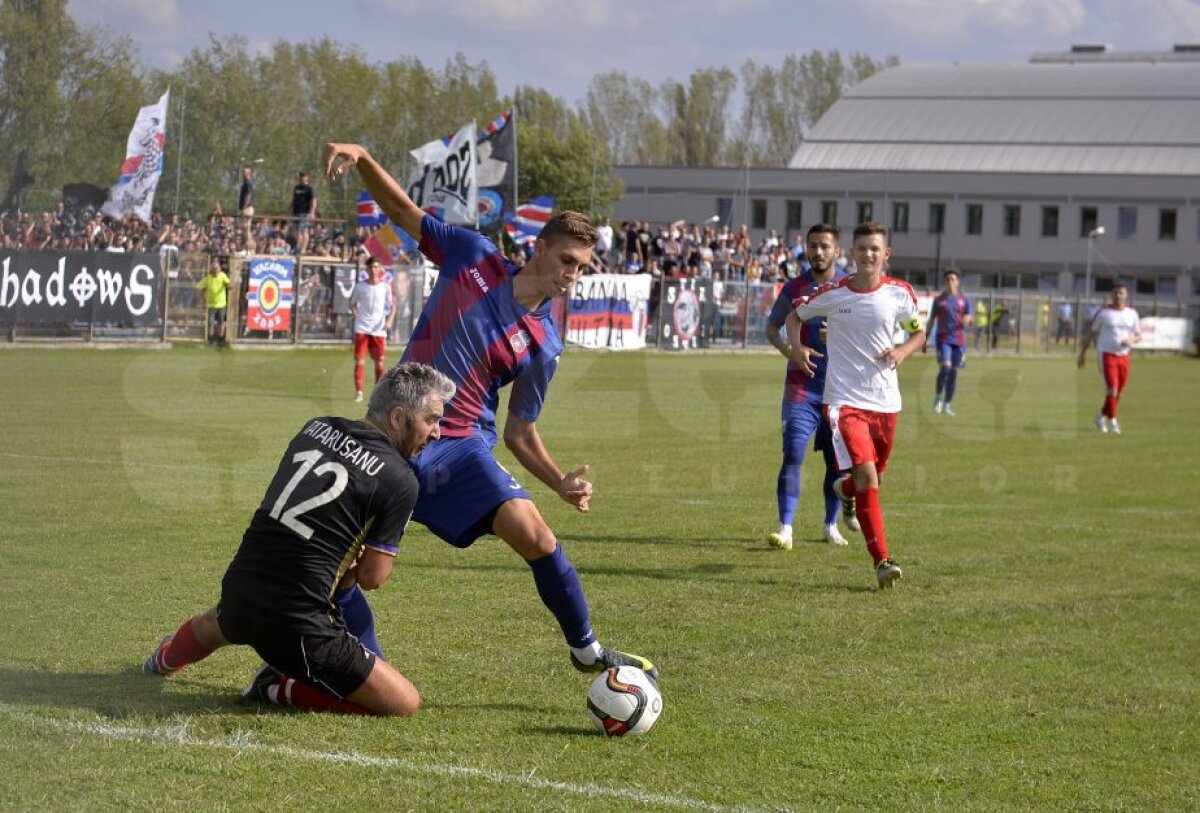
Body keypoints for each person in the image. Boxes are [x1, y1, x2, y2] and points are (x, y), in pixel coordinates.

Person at [322, 141, 657, 680]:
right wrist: (362, 159)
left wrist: (560, 481)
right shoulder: (472, 255)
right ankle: (362, 666)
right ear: (540, 248)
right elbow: (405, 212)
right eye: (567, 260)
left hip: (460, 448)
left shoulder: (546, 343)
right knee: (344, 567)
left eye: (582, 267)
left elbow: (521, 431)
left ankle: (586, 650)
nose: (573, 274)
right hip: (394, 429)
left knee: (537, 535)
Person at [143, 363, 455, 715]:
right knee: (404, 703)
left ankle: (163, 660)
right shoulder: (400, 479)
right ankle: (277, 686)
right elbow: (373, 578)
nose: (437, 433)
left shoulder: (316, 427)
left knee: (213, 624)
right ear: (398, 417)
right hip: (299, 623)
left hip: (242, 586)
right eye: (431, 420)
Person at [786, 222, 925, 589]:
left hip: (886, 402)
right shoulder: (835, 292)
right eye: (862, 248)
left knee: (872, 478)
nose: (868, 254)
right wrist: (797, 349)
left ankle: (845, 492)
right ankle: (882, 560)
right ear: (853, 252)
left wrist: (902, 351)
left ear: (886, 254)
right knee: (867, 476)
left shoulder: (899, 294)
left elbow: (918, 332)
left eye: (874, 249)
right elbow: (795, 315)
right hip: (844, 402)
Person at [763, 223, 858, 550]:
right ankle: (785, 527)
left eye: (825, 246)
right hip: (801, 389)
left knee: (836, 462)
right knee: (792, 453)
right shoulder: (794, 288)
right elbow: (771, 329)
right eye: (813, 246)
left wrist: (844, 335)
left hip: (839, 390)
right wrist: (792, 351)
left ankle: (830, 526)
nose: (818, 252)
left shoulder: (850, 286)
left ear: (836, 250)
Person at [1077, 283, 1141, 434]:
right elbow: (1091, 334)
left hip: (1124, 356)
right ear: (1112, 295)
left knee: (1119, 392)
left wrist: (1130, 341)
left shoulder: (1132, 314)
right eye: (1115, 293)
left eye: (1121, 293)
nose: (1118, 296)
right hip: (1106, 354)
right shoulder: (1104, 313)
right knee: (1112, 389)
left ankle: (1100, 417)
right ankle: (1113, 423)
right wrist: (1082, 354)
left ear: (1126, 295)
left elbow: (1139, 335)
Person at [926, 268, 973, 416]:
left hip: (959, 342)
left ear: (957, 282)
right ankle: (938, 397)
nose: (950, 281)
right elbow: (931, 320)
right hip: (943, 339)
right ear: (945, 282)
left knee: (953, 373)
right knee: (945, 368)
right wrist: (924, 339)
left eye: (953, 279)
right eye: (948, 279)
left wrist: (968, 319)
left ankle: (947, 404)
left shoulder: (964, 299)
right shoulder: (939, 300)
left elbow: (970, 317)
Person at [350, 256, 395, 402]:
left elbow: (393, 305)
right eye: (371, 267)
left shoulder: (385, 287)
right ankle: (359, 393)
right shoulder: (360, 287)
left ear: (380, 269)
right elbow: (352, 303)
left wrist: (389, 322)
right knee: (359, 361)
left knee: (380, 362)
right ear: (367, 269)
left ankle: (377, 394)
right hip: (362, 328)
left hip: (378, 329)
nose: (373, 270)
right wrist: (356, 314)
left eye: (376, 267)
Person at [195, 255, 230, 346]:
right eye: (214, 268)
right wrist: (203, 298)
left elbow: (228, 284)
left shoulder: (223, 276)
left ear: (220, 269)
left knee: (221, 322)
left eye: (217, 268)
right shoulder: (208, 278)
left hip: (221, 304)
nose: (216, 270)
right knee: (210, 323)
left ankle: (220, 339)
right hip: (211, 304)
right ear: (211, 269)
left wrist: (229, 286)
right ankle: (211, 339)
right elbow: (199, 287)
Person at [291, 171, 317, 256]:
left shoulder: (310, 189)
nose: (302, 179)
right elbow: (293, 200)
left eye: (304, 177)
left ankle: (303, 249)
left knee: (304, 231)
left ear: (307, 178)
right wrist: (288, 210)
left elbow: (314, 200)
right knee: (295, 231)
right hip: (296, 212)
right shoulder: (296, 188)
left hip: (305, 213)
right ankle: (298, 247)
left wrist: (312, 212)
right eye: (301, 177)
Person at [237, 164, 255, 244]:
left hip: (246, 208)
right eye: (243, 172)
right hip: (245, 208)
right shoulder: (245, 184)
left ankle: (250, 247)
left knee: (246, 229)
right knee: (245, 229)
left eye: (245, 172)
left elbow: (248, 195)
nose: (243, 174)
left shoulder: (248, 183)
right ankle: (247, 246)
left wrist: (244, 208)